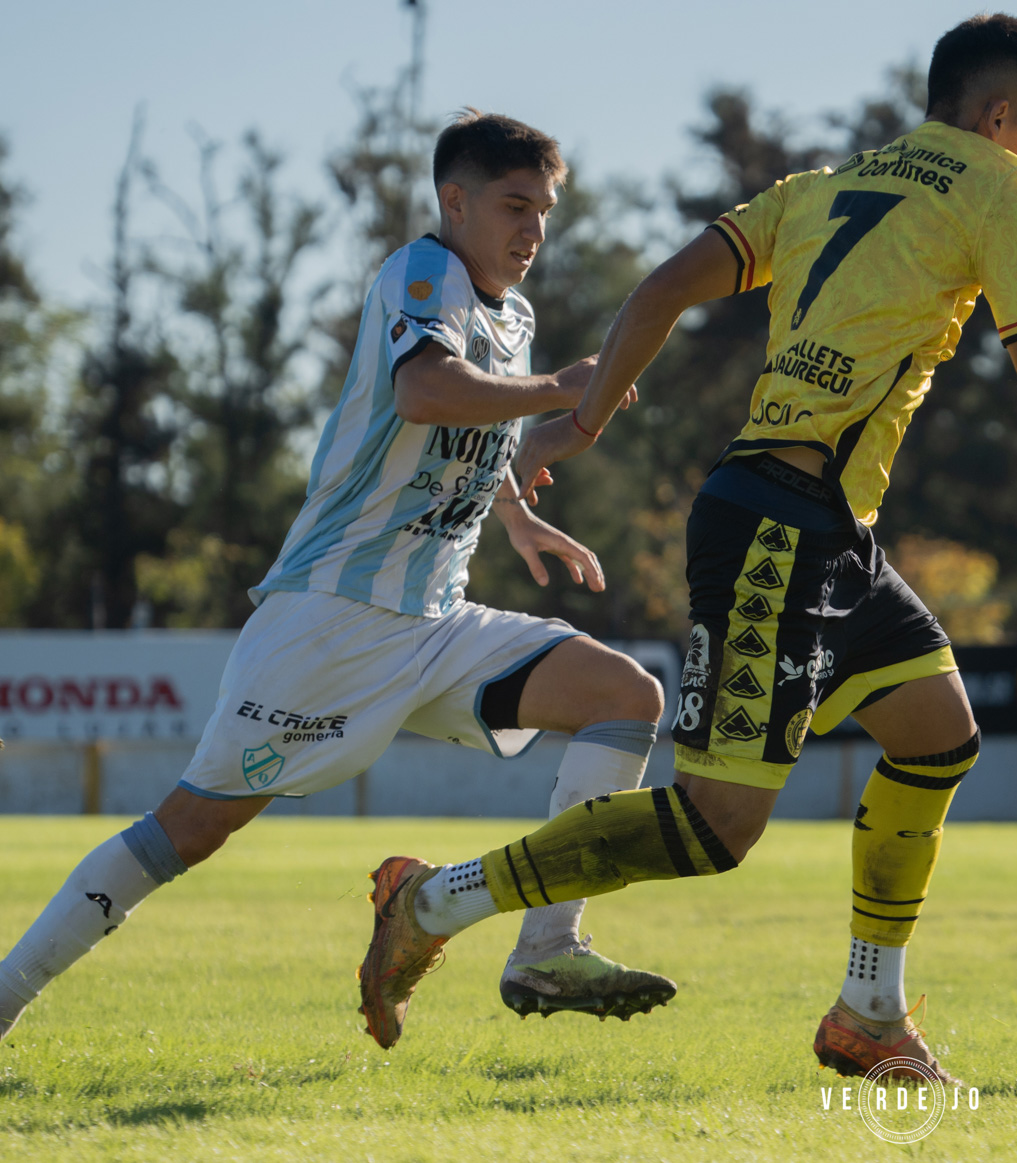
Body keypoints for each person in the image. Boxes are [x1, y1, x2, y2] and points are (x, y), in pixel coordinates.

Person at [351, 14, 1017, 1080]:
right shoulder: (999, 186)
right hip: (781, 523)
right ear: (997, 114)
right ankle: (432, 899)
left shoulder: (821, 187)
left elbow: (660, 292)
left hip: (826, 529)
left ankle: (869, 1012)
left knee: (936, 733)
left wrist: (579, 421)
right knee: (716, 825)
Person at [0, 111, 677, 1045]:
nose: (534, 231)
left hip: (436, 624)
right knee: (185, 832)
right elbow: (426, 392)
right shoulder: (424, 271)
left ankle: (545, 946)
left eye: (547, 211)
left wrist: (539, 481)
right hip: (332, 617)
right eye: (516, 206)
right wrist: (566, 387)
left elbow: (491, 440)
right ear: (455, 200)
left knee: (626, 695)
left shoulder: (512, 318)